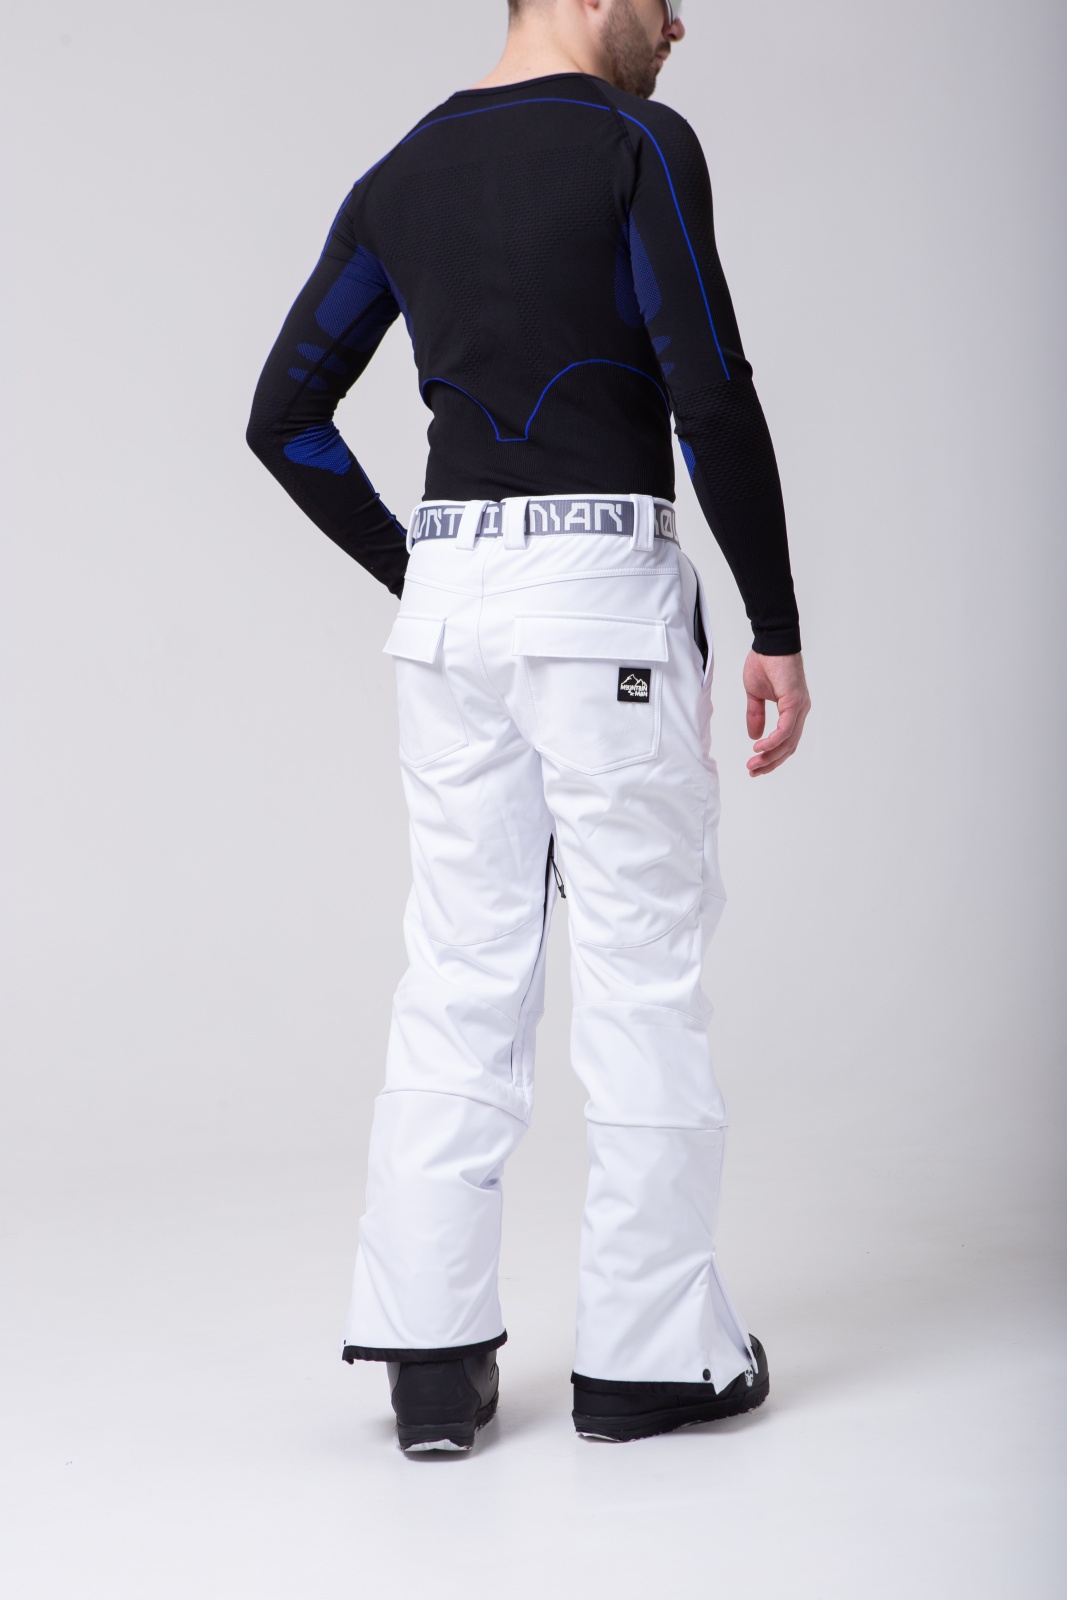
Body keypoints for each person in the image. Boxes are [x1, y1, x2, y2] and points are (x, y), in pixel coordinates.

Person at [247, 0, 810, 1452]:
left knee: (461, 961)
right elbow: (707, 390)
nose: (678, 22)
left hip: (452, 613)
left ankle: (430, 1361)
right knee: (640, 963)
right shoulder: (635, 143)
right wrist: (776, 623)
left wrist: (429, 574)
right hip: (602, 590)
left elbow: (285, 418)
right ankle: (648, 1359)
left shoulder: (399, 174)